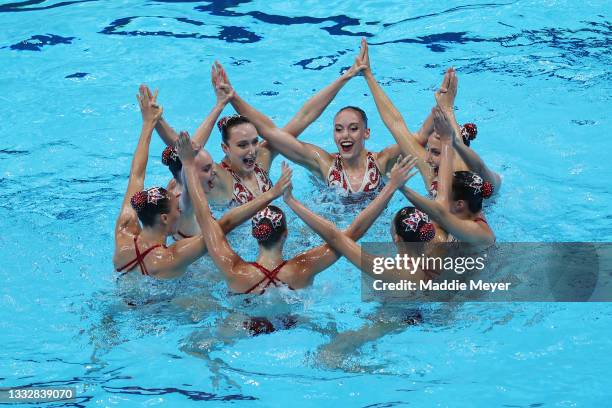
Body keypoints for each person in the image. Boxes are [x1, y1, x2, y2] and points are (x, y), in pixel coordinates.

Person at [177, 129, 417, 293]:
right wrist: (391, 187)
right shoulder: (303, 268)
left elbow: (206, 219)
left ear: (255, 235)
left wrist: (188, 164)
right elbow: (351, 233)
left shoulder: (235, 271)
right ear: (285, 234)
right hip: (295, 322)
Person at [112, 86, 286, 280]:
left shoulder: (124, 233)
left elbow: (137, 175)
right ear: (164, 218)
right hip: (161, 307)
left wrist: (148, 125)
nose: (179, 208)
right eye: (176, 208)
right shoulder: (173, 255)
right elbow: (225, 224)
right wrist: (271, 194)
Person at [154, 60, 368, 204]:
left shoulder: (262, 161)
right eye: (242, 145)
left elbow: (303, 118)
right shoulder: (219, 177)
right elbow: (185, 152)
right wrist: (157, 121)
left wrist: (346, 77)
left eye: (254, 142)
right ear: (225, 148)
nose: (252, 151)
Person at [213, 55, 403, 198]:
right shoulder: (324, 164)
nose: (345, 135)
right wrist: (231, 99)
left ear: (366, 133)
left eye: (353, 128)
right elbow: (278, 128)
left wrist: (359, 76)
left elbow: (405, 133)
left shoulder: (381, 162)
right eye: (338, 129)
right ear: (225, 148)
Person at [358, 38, 501, 196]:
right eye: (429, 150)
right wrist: (368, 76)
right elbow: (395, 124)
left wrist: (448, 110)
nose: (427, 159)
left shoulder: (479, 180)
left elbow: (477, 165)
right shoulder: (432, 174)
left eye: (436, 152)